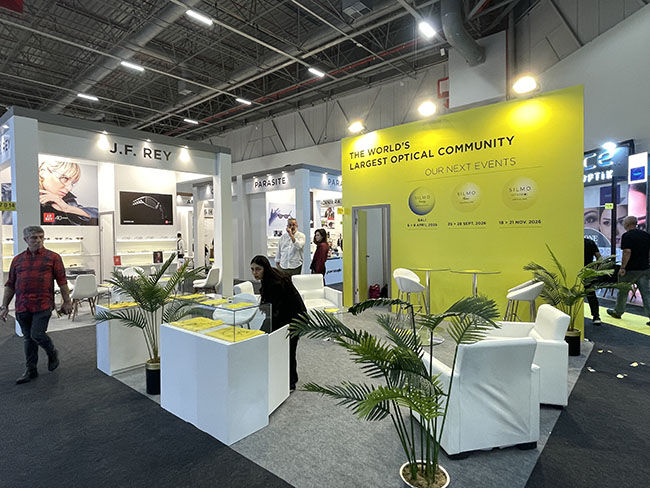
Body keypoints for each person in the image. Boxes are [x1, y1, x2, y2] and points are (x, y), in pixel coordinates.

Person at [1, 226, 73, 384]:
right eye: (34, 237)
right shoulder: (17, 260)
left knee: (37, 334)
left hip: (43, 305)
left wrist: (67, 301)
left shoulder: (53, 257)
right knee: (28, 339)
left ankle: (52, 352)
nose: (38, 240)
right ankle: (31, 370)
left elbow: (62, 282)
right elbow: (10, 284)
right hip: (22, 306)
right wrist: (4, 306)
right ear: (25, 239)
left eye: (41, 237)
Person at [250, 255, 306, 391]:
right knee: (283, 348)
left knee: (289, 349)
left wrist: (264, 330)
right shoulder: (270, 278)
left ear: (265, 268)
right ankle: (286, 378)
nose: (254, 273)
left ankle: (291, 382)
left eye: (258, 269)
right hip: (287, 316)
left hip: (295, 318)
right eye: (252, 269)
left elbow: (276, 310)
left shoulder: (275, 283)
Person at [607, 216, 650, 324]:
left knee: (623, 292)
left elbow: (627, 252)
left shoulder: (627, 236)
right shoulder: (646, 235)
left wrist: (622, 267)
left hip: (630, 270)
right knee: (646, 294)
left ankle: (618, 312)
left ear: (627, 224)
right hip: (644, 269)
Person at [39, 160, 98, 225]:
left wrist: (68, 208)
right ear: (43, 172)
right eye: (65, 178)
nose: (69, 188)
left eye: (72, 183)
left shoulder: (67, 201)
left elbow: (99, 215)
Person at [584, 237, 602, 325]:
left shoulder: (573, 242)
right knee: (591, 295)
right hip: (588, 272)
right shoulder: (590, 242)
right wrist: (596, 268)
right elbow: (599, 257)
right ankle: (596, 316)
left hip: (575, 271)